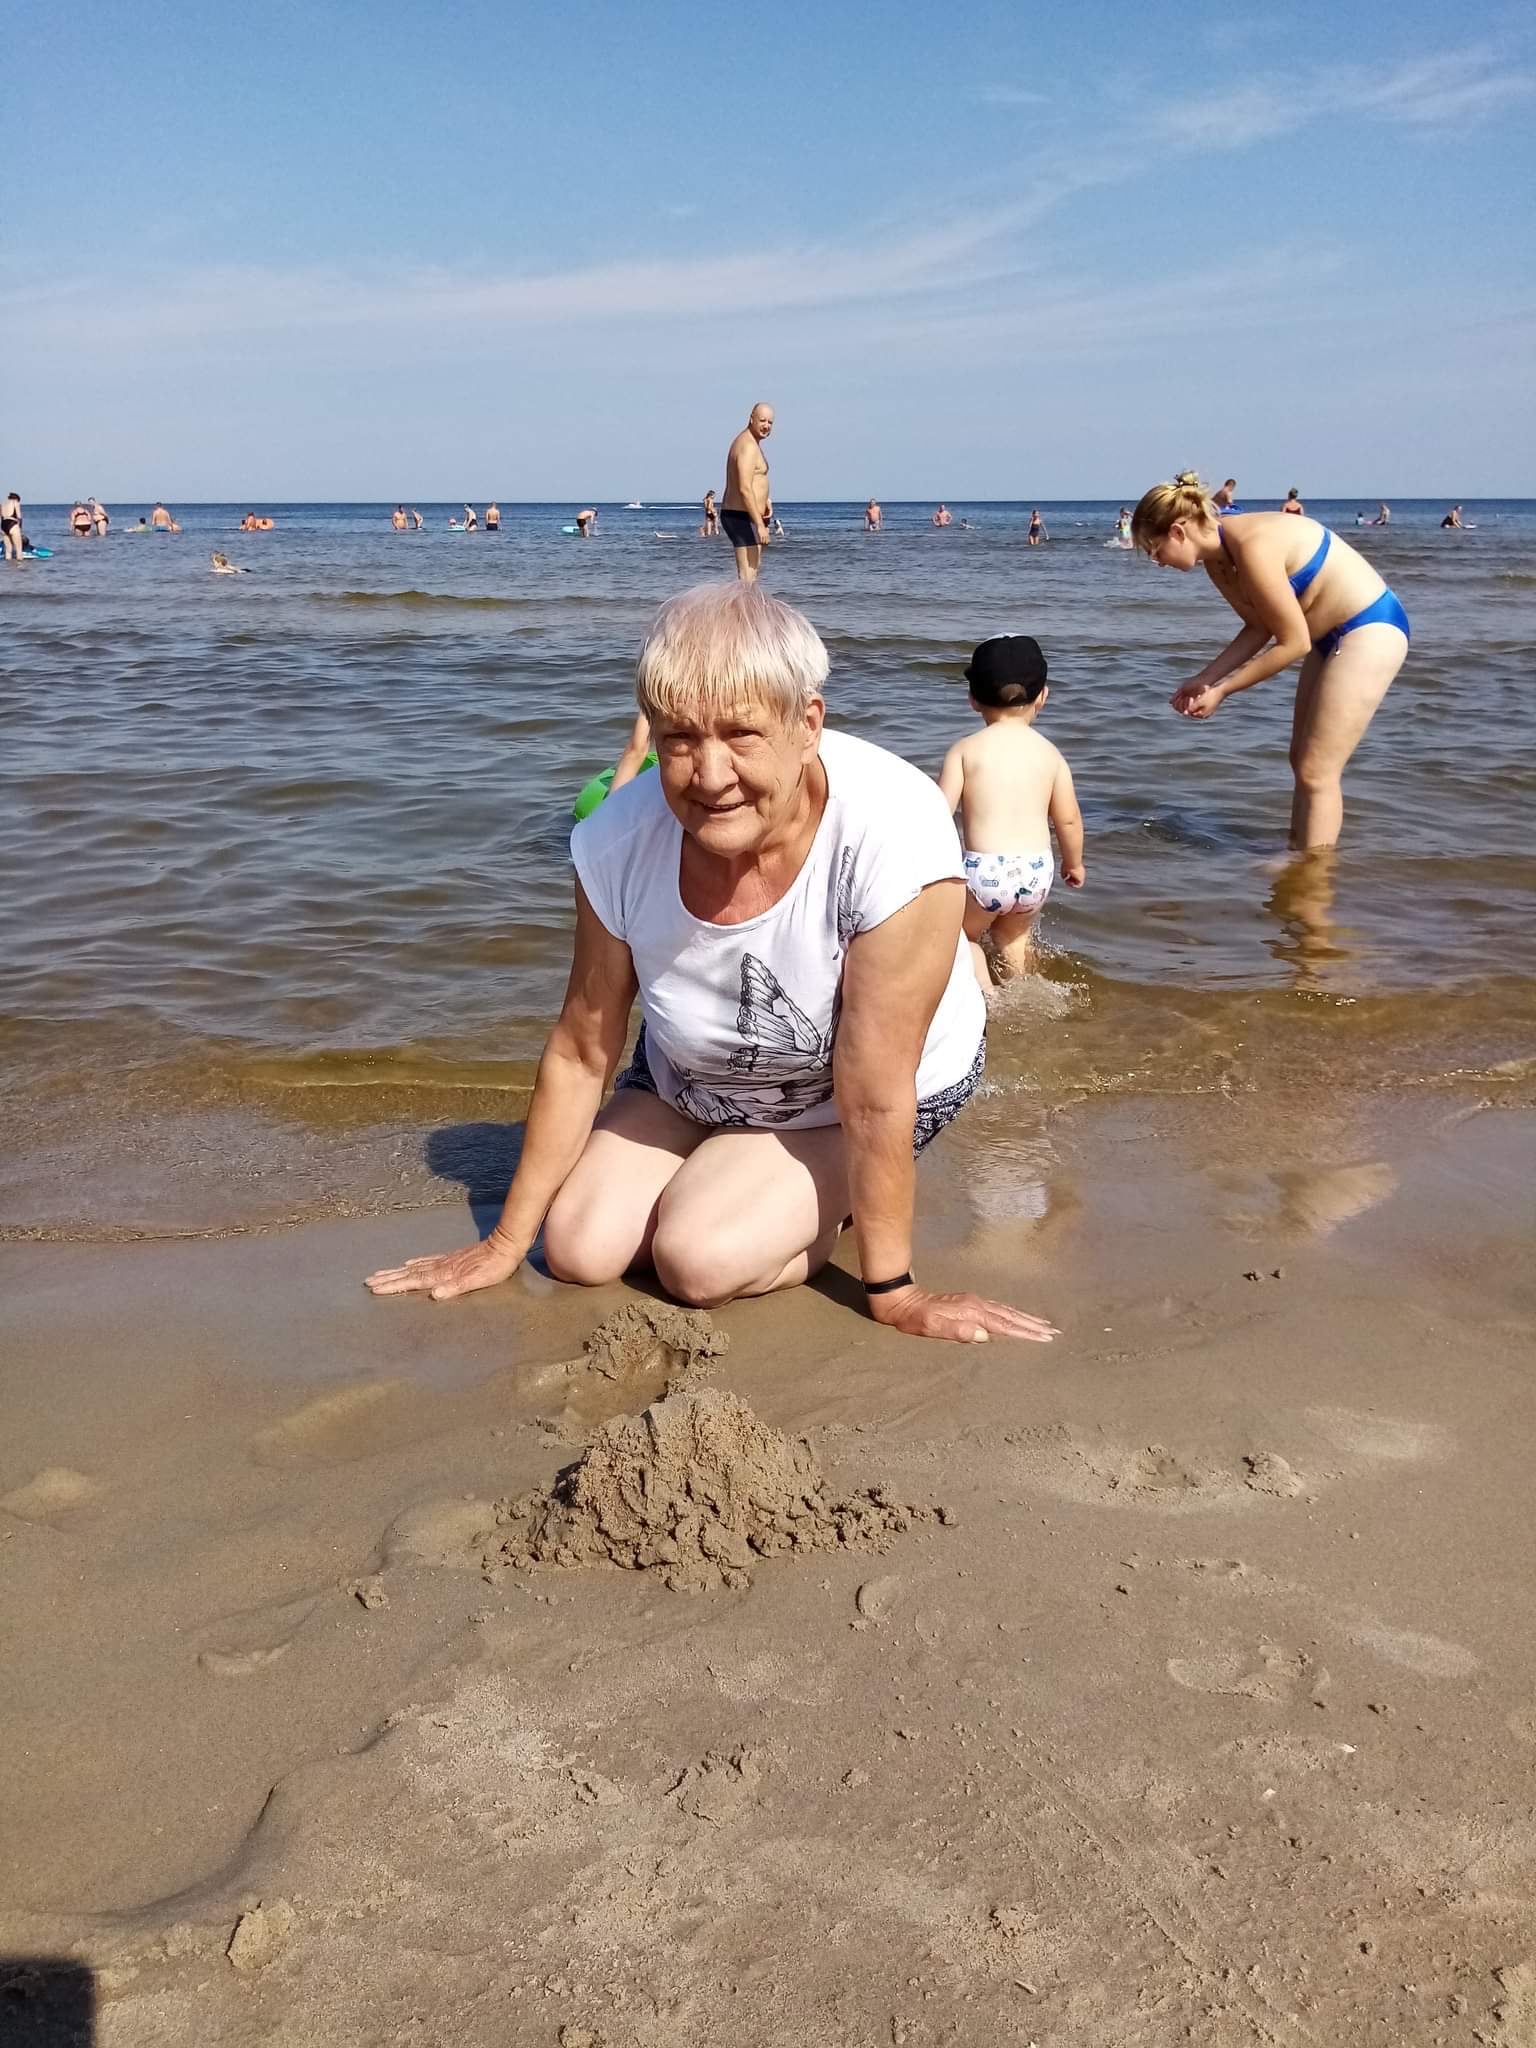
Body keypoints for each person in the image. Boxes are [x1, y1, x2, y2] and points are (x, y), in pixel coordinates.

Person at [365, 582, 1056, 1347]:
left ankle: (817, 1205)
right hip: (694, 1074)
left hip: (858, 1094)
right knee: (576, 1249)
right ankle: (744, 1172)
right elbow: (583, 1048)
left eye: (741, 734)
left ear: (808, 724)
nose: (711, 773)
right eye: (680, 739)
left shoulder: (893, 831)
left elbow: (875, 1087)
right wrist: (502, 1244)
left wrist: (893, 1290)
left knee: (697, 1258)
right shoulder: (614, 843)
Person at [1133, 469, 1410, 850]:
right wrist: (1206, 678)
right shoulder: (1217, 558)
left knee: (1317, 770)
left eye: (1155, 550)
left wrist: (1223, 690)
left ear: (1178, 531)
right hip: (1326, 638)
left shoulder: (1253, 547)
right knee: (1302, 762)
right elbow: (1258, 626)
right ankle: (1299, 854)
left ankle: (1311, 870)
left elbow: (1293, 643)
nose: (1157, 562)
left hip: (1369, 628)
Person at [938, 637, 1085, 987]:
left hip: (985, 872)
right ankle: (1020, 988)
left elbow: (939, 812)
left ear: (973, 699)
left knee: (963, 937)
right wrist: (1074, 864)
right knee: (1014, 937)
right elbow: (1068, 819)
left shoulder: (965, 750)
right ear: (1043, 696)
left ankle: (987, 996)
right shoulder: (1050, 755)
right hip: (1035, 872)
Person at [721, 403, 773, 582]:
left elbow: (754, 479)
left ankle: (742, 602)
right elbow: (744, 488)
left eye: (770, 422)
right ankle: (736, 602)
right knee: (747, 578)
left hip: (747, 514)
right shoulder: (748, 446)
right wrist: (759, 525)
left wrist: (765, 500)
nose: (766, 426)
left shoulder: (751, 442)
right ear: (751, 419)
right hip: (741, 515)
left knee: (752, 575)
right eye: (762, 420)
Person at [1, 490, 21, 563]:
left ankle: (8, 568)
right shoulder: (15, 502)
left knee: (8, 550)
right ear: (16, 499)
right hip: (12, 524)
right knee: (18, 549)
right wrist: (20, 528)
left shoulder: (2, 504)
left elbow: (1, 517)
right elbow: (19, 517)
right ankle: (20, 567)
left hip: (3, 525)